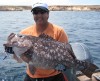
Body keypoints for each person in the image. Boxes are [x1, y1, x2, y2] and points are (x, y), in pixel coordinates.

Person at [5, 3, 75, 81]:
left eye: (42, 12)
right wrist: (13, 51)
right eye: (35, 12)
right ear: (33, 15)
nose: (39, 15)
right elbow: (19, 60)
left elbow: (67, 53)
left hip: (55, 76)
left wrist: (64, 65)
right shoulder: (25, 33)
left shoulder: (59, 31)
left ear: (48, 14)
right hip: (32, 77)